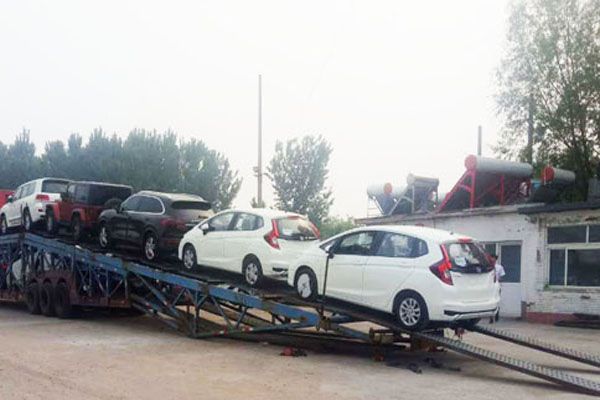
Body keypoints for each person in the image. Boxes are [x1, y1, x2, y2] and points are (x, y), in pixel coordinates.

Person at [489, 253, 505, 323]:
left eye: (493, 258)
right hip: (489, 286)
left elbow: (501, 276)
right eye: (491, 258)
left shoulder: (499, 267)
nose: (492, 260)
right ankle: (491, 317)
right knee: (490, 301)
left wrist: (498, 282)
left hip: (496, 286)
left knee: (497, 300)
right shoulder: (488, 267)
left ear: (495, 259)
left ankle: (496, 313)